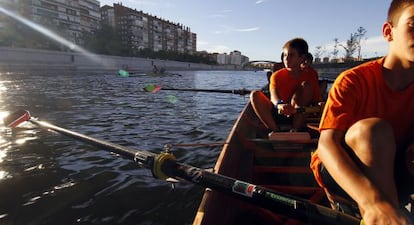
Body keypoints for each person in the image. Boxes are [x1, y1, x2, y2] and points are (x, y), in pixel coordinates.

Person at [310, 0, 414, 224]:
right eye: (413, 26)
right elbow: (326, 145)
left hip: (394, 162)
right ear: (388, 32)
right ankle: (380, 212)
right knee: (374, 131)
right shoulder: (353, 81)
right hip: (341, 168)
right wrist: (373, 203)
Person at [250, 37, 322, 132]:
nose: (286, 59)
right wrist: (281, 105)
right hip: (278, 111)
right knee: (255, 94)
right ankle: (276, 130)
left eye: (291, 55)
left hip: (299, 113)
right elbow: (274, 97)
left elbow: (317, 99)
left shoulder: (311, 74)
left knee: (306, 86)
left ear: (302, 58)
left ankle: (295, 129)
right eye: (284, 55)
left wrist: (321, 104)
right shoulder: (276, 76)